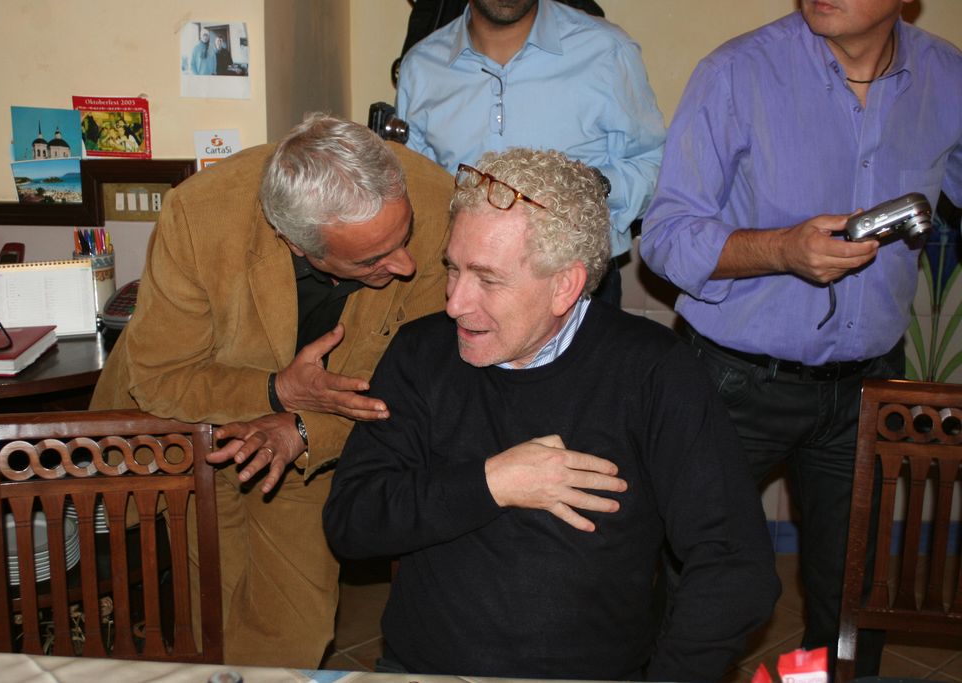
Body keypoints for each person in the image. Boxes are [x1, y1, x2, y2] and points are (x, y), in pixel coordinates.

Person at [323, 148, 779, 682]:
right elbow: (352, 523)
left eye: (487, 279)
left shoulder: (653, 371)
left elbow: (734, 563)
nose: (454, 303)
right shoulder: (421, 353)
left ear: (564, 285)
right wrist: (492, 482)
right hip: (425, 670)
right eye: (453, 268)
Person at [639, 0, 962, 675]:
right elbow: (665, 238)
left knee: (853, 596)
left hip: (871, 384)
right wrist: (781, 250)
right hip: (733, 383)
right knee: (694, 581)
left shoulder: (947, 77)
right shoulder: (736, 73)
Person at [88, 113, 454, 667]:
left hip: (322, 435)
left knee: (294, 629)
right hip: (193, 427)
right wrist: (279, 390)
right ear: (297, 243)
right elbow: (162, 376)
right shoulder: (199, 216)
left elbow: (421, 384)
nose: (404, 265)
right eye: (371, 260)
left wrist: (301, 426)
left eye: (402, 239)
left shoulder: (436, 202)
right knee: (209, 616)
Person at [395, 0, 665, 304]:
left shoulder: (606, 49)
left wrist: (587, 189)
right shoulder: (421, 66)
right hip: (462, 283)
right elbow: (417, 188)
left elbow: (653, 163)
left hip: (576, 279)